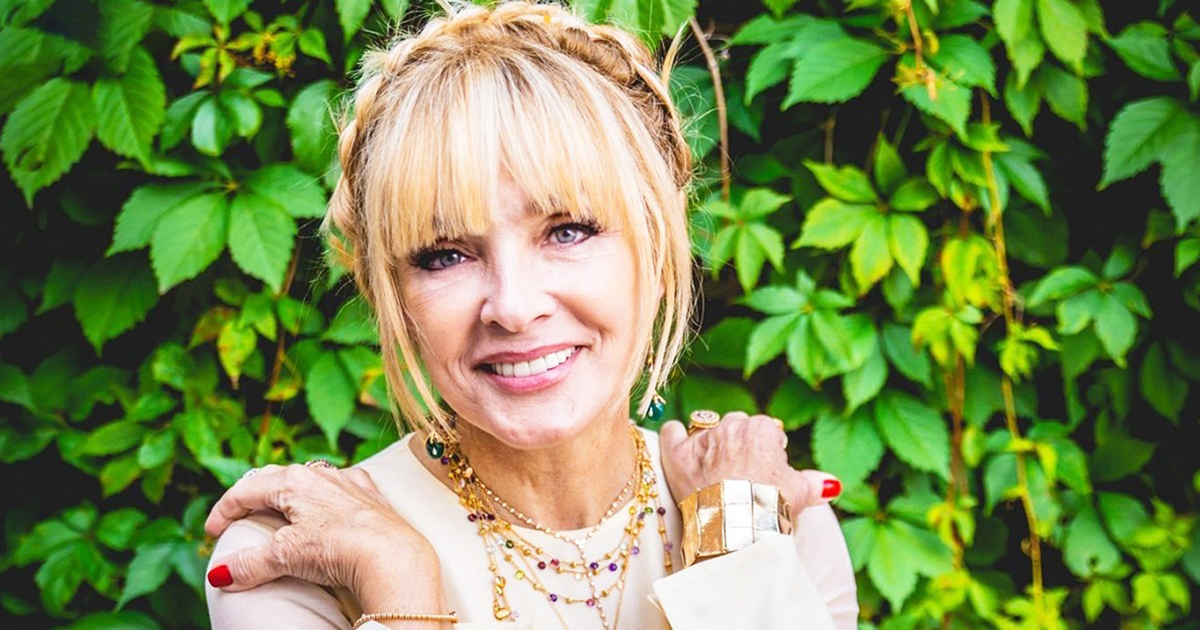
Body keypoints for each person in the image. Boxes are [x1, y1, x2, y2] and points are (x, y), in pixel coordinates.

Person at [204, 2, 858, 628]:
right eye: (445, 255)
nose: (513, 307)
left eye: (568, 231)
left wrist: (735, 544)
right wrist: (398, 581)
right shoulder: (300, 554)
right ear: (387, 293)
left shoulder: (763, 512)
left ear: (660, 250)